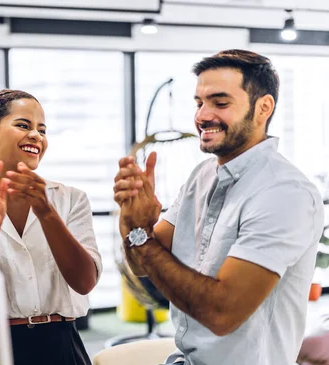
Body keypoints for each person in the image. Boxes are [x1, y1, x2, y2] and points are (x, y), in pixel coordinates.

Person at [113, 49, 324, 365]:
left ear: (263, 107)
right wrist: (131, 224)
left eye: (220, 103)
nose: (202, 115)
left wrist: (141, 236)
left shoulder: (284, 193)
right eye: (199, 103)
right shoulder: (201, 177)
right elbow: (143, 265)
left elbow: (221, 313)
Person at [0, 89, 102, 365]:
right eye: (23, 125)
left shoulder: (71, 199)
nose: (36, 136)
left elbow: (84, 282)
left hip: (62, 346)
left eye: (42, 129)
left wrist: (46, 213)